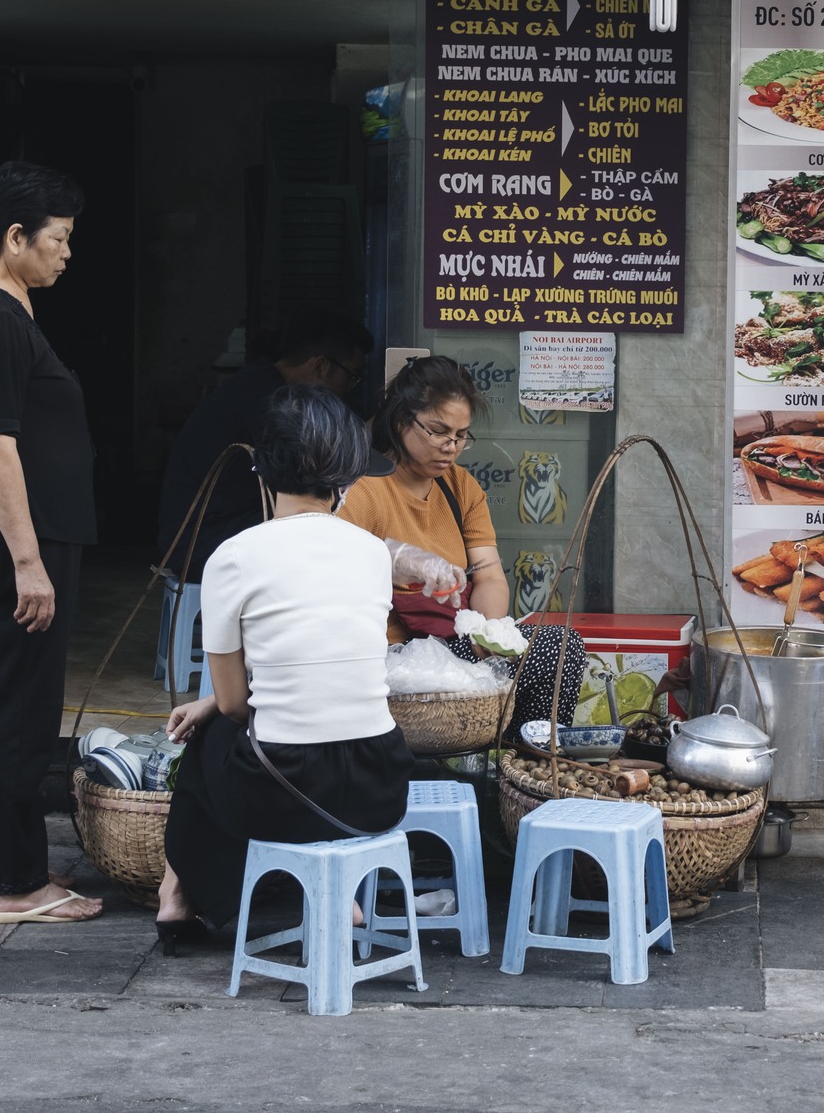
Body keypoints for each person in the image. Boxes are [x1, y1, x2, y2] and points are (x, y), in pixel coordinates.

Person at [155, 384, 413, 943]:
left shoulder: (234, 557)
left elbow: (230, 705)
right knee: (234, 731)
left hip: (281, 792)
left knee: (210, 739)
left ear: (262, 475)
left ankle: (177, 894)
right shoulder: (372, 553)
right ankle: (336, 892)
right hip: (380, 787)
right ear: (346, 482)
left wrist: (207, 709)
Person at [0, 160, 103, 925]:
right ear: (15, 238)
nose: (67, 253)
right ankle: (16, 883)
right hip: (20, 546)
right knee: (20, 708)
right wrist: (29, 560)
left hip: (23, 540)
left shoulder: (2, 308)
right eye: (58, 239)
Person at [339, 355, 585, 735]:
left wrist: (486, 636)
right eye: (437, 431)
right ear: (402, 419)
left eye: (460, 435)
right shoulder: (362, 490)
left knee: (559, 646)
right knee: (551, 647)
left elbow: (488, 576)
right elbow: (336, 573)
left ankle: (522, 762)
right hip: (392, 656)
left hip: (457, 644)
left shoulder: (460, 487)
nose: (450, 446)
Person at [156, 314, 372, 572]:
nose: (349, 388)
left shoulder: (258, 384)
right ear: (321, 366)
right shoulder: (271, 402)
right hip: (203, 544)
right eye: (350, 376)